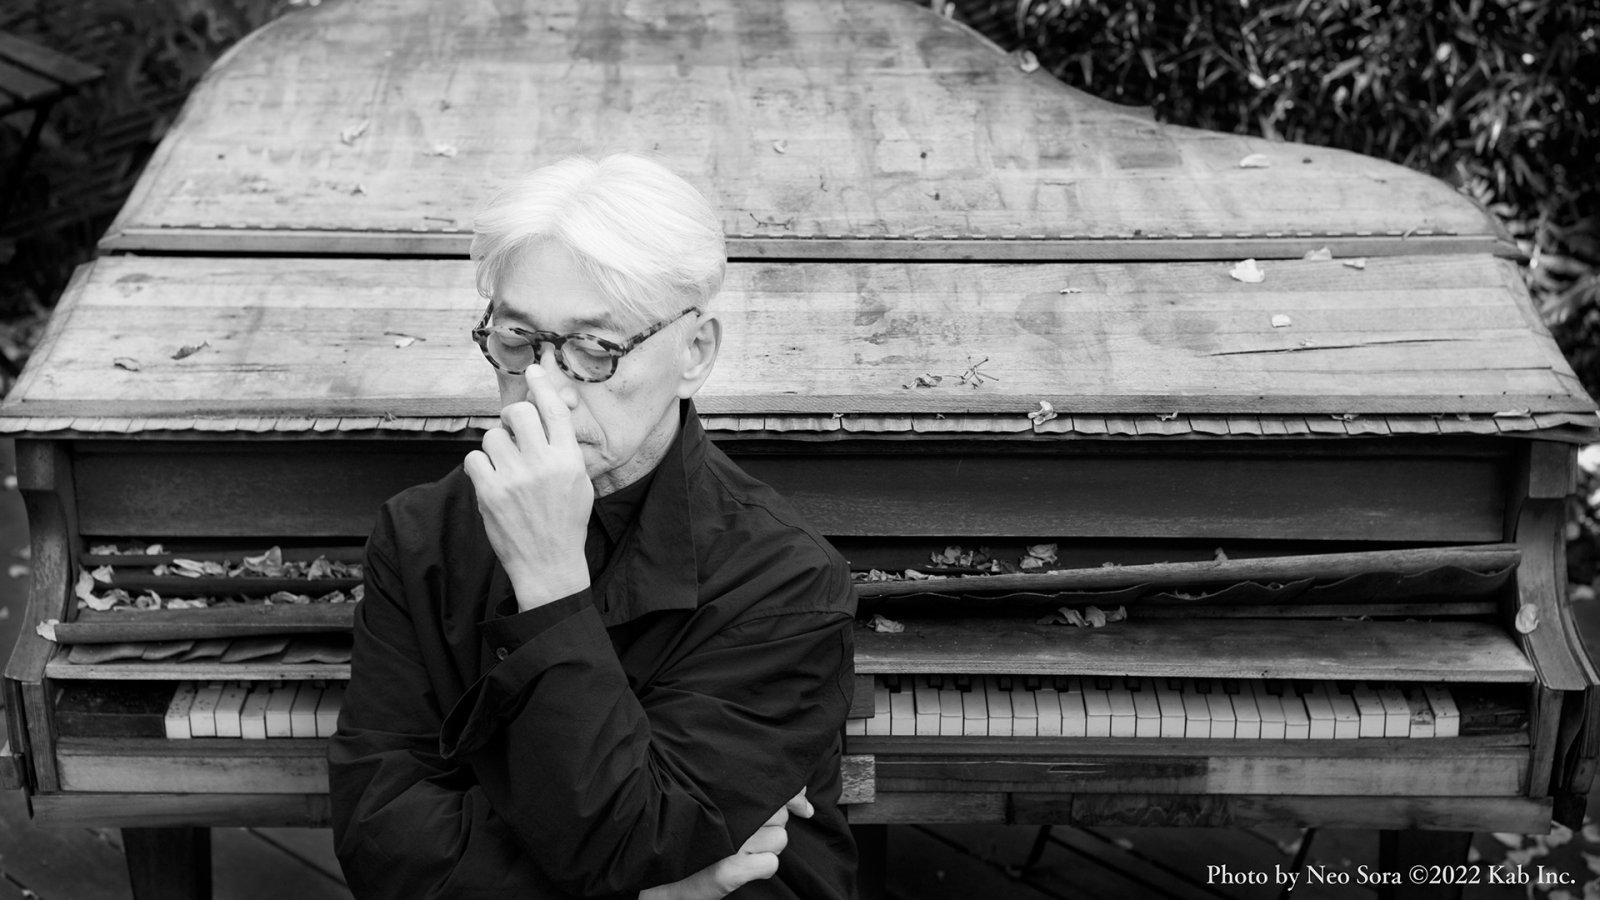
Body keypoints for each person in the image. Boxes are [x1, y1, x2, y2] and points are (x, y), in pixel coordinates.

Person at [328, 153, 859, 899]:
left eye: (595, 349)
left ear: (695, 352)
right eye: (518, 340)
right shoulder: (421, 533)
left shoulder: (787, 581)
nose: (544, 387)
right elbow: (382, 840)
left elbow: (629, 841)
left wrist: (548, 583)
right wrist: (656, 892)